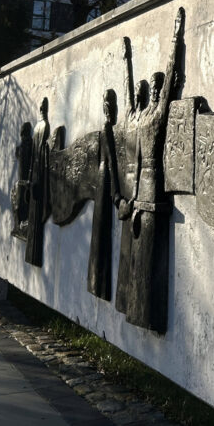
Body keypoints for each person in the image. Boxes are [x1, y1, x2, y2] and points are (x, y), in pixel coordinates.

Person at [114, 9, 184, 333]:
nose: (155, 91)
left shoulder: (158, 114)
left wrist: (176, 38)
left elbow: (171, 77)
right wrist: (126, 60)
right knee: (134, 262)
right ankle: (134, 309)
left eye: (158, 87)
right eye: (152, 87)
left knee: (149, 261)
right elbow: (127, 94)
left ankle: (146, 314)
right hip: (136, 196)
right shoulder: (137, 118)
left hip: (153, 191)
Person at [88, 89, 121, 300]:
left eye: (112, 104)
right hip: (104, 181)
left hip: (103, 180)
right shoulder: (107, 129)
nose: (110, 108)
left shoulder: (107, 129)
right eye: (109, 104)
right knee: (101, 231)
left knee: (101, 231)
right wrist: (116, 193)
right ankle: (98, 281)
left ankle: (98, 281)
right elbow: (111, 162)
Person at [24, 97, 51, 267]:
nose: (41, 109)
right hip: (35, 174)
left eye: (43, 107)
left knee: (37, 213)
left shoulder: (44, 126)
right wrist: (29, 177)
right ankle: (31, 252)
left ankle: (34, 253)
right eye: (40, 107)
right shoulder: (38, 127)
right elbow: (34, 153)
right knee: (33, 212)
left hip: (38, 173)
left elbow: (40, 151)